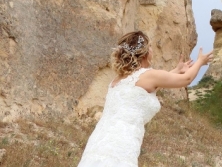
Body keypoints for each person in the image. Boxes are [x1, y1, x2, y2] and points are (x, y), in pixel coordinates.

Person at [77, 30, 213, 167]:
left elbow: (151, 87)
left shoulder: (117, 81)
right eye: (151, 47)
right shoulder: (147, 76)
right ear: (145, 53)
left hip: (98, 142)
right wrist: (200, 61)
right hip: (121, 143)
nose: (152, 51)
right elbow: (186, 79)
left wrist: (176, 71)